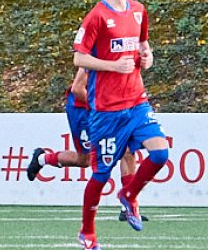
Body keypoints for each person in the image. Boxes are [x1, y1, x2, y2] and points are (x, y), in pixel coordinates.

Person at [72, 0, 170, 250]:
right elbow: (79, 57)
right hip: (106, 110)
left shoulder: (139, 10)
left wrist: (148, 57)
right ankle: (87, 232)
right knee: (100, 175)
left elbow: (143, 46)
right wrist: (113, 66)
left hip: (137, 102)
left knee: (160, 153)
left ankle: (129, 195)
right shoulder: (97, 16)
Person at [26, 68, 141, 222]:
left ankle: (129, 207)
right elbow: (77, 89)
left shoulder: (126, 55)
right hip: (83, 111)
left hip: (108, 111)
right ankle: (42, 158)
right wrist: (103, 107)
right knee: (84, 160)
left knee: (127, 151)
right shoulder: (96, 56)